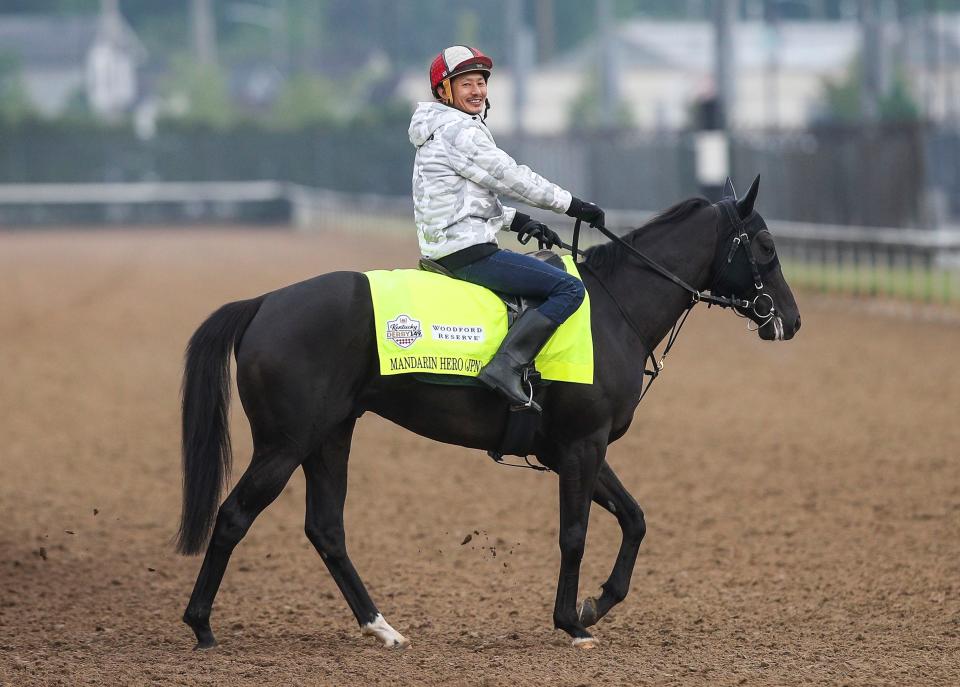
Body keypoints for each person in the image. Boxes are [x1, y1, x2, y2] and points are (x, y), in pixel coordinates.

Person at [409, 45, 605, 412]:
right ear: (443, 92)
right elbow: (511, 177)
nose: (477, 91)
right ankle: (506, 366)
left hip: (452, 246)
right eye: (465, 83)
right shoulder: (457, 131)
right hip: (468, 253)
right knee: (569, 288)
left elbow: (464, 199)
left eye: (481, 82)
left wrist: (519, 220)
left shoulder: (441, 130)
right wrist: (572, 205)